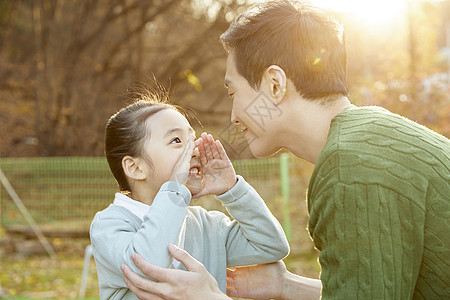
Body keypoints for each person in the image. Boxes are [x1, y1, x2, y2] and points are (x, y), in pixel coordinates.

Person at [121, 0, 450, 299]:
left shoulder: (350, 173)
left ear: (274, 85)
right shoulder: (370, 135)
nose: (234, 117)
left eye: (233, 92)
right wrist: (286, 286)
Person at [90, 92, 290, 299]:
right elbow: (147, 266)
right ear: (135, 168)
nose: (194, 149)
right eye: (177, 140)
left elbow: (271, 246)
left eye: (192, 139)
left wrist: (232, 190)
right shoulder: (109, 226)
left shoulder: (207, 226)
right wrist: (175, 188)